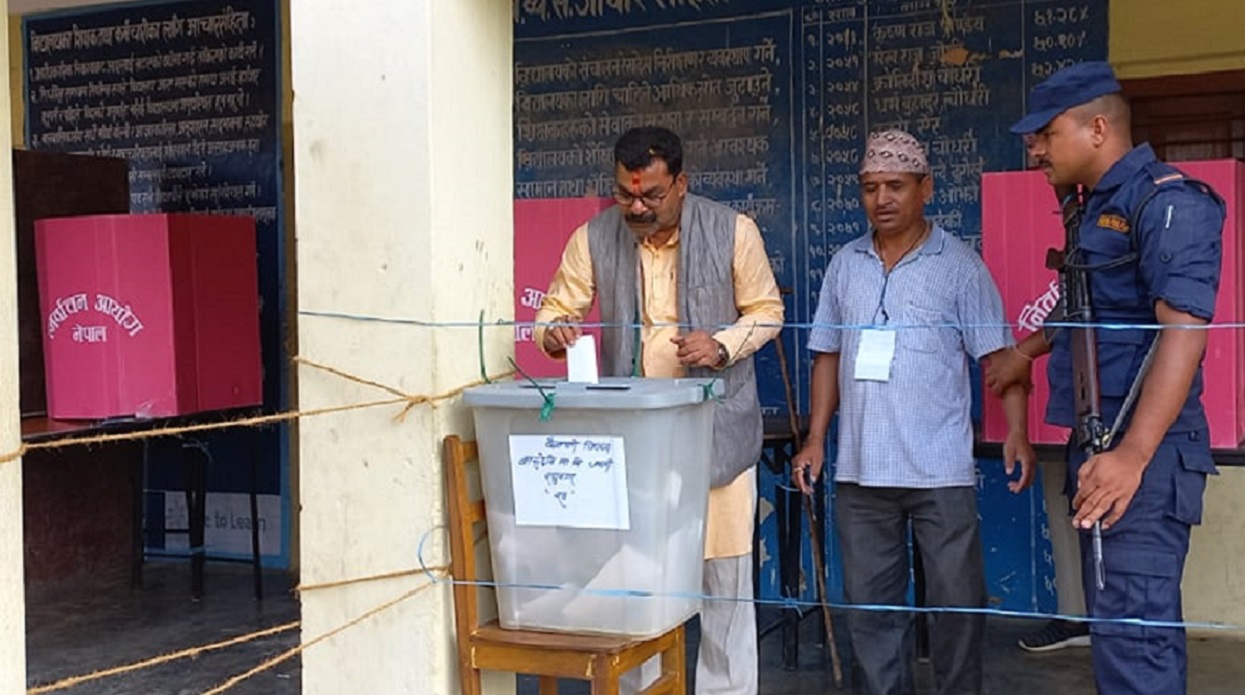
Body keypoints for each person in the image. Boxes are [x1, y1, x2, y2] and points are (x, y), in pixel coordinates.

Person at [535, 125, 784, 695]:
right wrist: (556, 333)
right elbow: (552, 313)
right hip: (635, 446)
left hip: (715, 437)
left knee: (722, 582)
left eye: (651, 195)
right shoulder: (595, 236)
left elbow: (767, 312)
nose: (638, 207)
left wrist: (721, 344)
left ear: (682, 184)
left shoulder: (733, 230)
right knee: (637, 587)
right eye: (626, 195)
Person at [1002, 61, 1225, 695]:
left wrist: (1131, 455)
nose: (1035, 149)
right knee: (1118, 639)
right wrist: (1029, 350)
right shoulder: (1091, 209)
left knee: (1137, 644)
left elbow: (1182, 334)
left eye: (1046, 134)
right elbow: (1095, 312)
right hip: (1102, 450)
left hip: (1144, 459)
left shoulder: (1168, 200)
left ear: (1098, 128)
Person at [791, 129, 1036, 695]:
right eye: (870, 188)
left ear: (925, 187)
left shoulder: (960, 267)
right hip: (859, 472)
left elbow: (1001, 360)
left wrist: (1018, 431)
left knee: (956, 608)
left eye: (896, 186)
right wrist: (816, 439)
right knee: (873, 614)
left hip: (939, 471)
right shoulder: (844, 264)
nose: (883, 199)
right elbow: (825, 356)